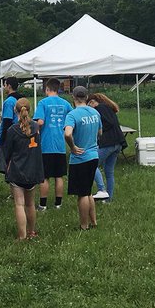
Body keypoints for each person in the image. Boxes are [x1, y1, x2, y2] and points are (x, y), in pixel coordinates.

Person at [1, 97, 44, 240]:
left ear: (16, 110)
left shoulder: (12, 130)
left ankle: (22, 235)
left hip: (17, 170)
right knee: (30, 203)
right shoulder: (36, 128)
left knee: (19, 204)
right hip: (32, 170)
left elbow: (7, 151)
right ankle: (32, 232)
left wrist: (6, 164)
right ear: (30, 110)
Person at [64, 85, 102, 231]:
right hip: (94, 156)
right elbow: (100, 132)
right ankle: (94, 221)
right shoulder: (95, 112)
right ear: (87, 97)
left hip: (80, 158)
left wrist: (72, 147)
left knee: (82, 194)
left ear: (73, 97)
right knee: (88, 190)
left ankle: (84, 225)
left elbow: (67, 134)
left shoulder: (72, 115)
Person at [34, 78, 72, 212]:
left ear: (47, 89)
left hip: (46, 145)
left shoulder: (43, 102)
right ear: (59, 89)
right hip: (60, 145)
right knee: (59, 176)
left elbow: (40, 122)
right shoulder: (66, 104)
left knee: (44, 177)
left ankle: (43, 205)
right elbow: (71, 120)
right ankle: (58, 204)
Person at [89, 91, 126, 202]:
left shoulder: (100, 108)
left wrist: (98, 131)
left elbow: (108, 123)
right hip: (118, 143)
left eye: (89, 104)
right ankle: (109, 199)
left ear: (92, 102)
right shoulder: (109, 108)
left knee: (92, 164)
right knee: (109, 171)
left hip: (108, 143)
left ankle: (102, 190)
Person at [0, 78, 20, 171]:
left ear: (9, 86)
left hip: (10, 136)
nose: (4, 87)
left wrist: (3, 139)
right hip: (19, 134)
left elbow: (7, 121)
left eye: (5, 85)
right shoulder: (21, 99)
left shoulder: (9, 101)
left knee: (8, 163)